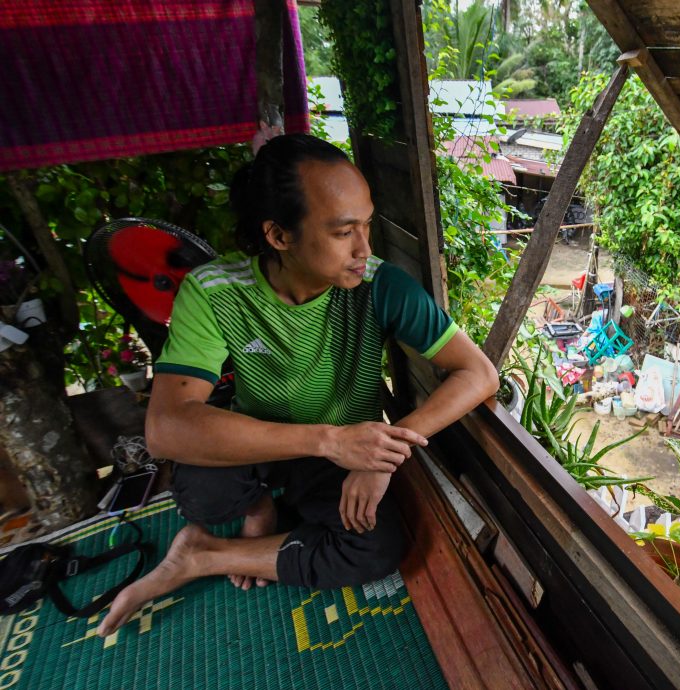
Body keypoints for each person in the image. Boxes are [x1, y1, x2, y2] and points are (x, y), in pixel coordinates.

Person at [97, 134, 498, 636]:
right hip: (265, 442)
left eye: (366, 226)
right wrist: (328, 438)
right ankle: (260, 505)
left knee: (375, 546)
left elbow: (479, 374)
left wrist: (384, 454)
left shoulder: (381, 285)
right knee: (202, 492)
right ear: (280, 235)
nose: (363, 248)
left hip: (338, 459)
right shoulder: (216, 290)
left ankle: (205, 555)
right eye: (342, 232)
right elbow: (167, 428)